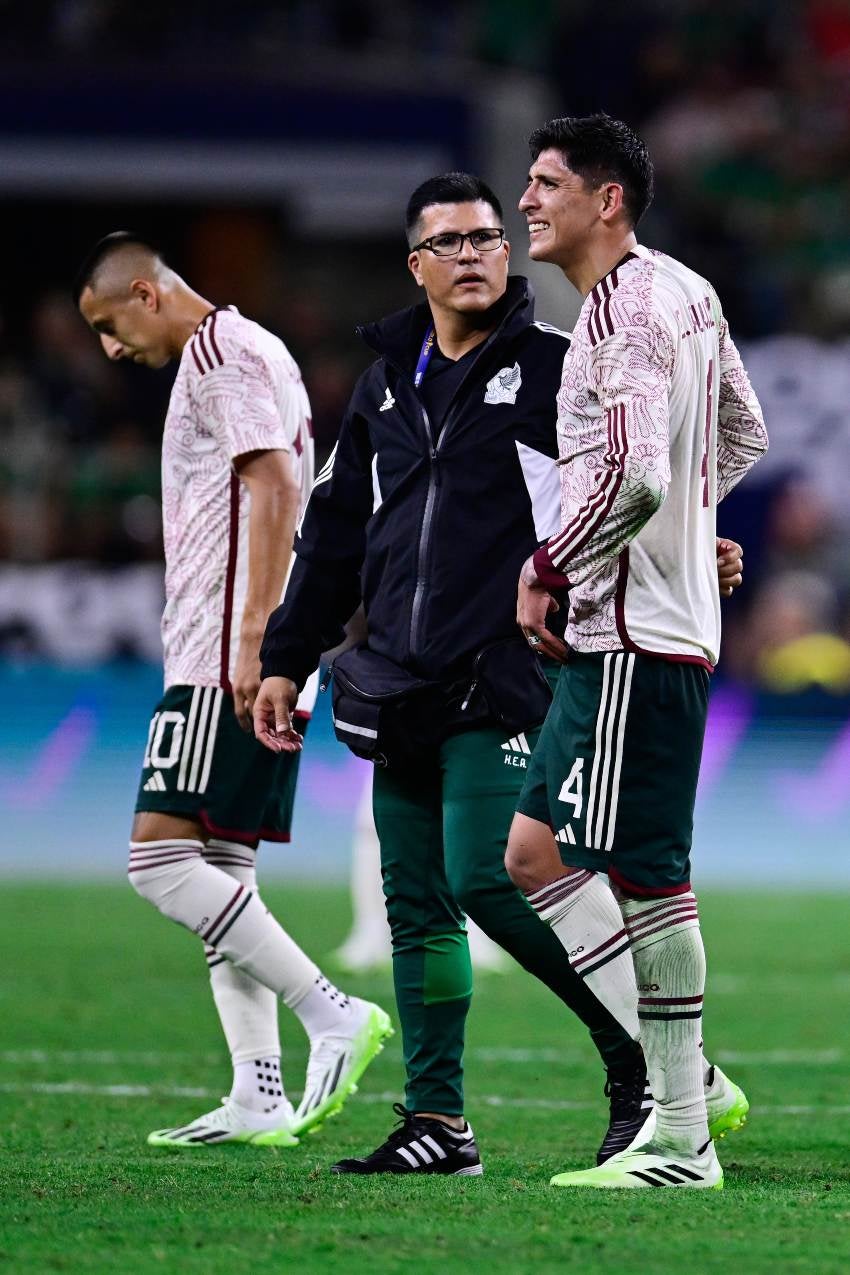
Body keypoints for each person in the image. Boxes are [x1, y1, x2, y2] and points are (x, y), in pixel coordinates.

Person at [253, 174, 746, 1176]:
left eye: (488, 236)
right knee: (416, 905)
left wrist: (701, 541)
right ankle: (438, 1119)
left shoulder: (560, 367)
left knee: (494, 872)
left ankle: (648, 1070)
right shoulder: (384, 383)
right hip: (392, 673)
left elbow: (623, 485)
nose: (475, 253)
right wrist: (285, 657)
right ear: (416, 265)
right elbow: (338, 528)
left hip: (507, 671)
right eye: (450, 241)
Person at [74, 232, 391, 1149]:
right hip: (230, 644)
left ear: (145, 290)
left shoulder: (222, 353)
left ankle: (332, 1011)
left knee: (159, 863)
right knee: (221, 872)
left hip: (227, 651)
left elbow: (276, 480)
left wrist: (256, 637)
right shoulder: (246, 353)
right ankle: (258, 1094)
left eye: (109, 324)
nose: (109, 348)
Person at [505, 114, 768, 1189]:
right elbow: (739, 435)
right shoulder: (684, 291)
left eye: (544, 182)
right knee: (532, 855)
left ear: (603, 200)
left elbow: (639, 480)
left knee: (649, 879)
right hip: (639, 625)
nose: (527, 201)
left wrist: (547, 565)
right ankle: (691, 1086)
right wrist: (687, 531)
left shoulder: (617, 315)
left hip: (628, 632)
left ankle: (681, 1139)